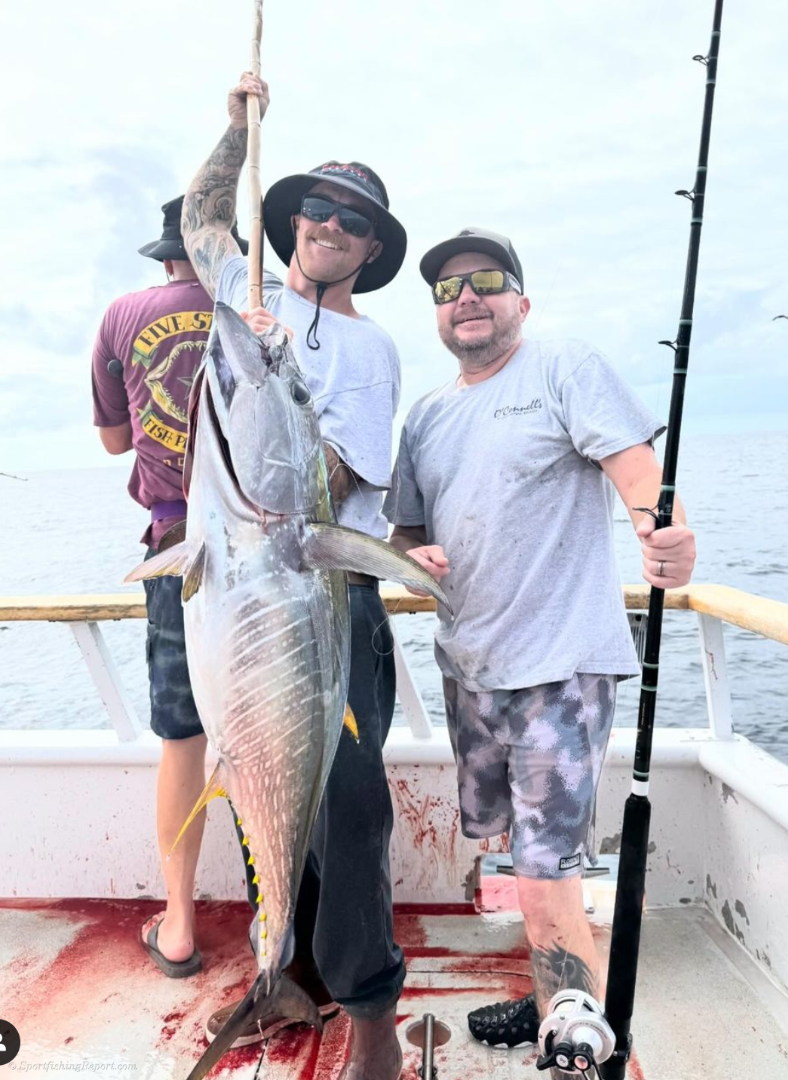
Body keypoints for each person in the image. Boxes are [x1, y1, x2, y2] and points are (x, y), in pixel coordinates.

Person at [385, 228, 697, 1073]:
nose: (467, 297)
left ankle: (589, 1046)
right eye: (448, 290)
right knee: (519, 854)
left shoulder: (560, 365)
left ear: (521, 300)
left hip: (561, 670)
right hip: (471, 668)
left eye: (487, 280)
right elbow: (408, 529)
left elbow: (637, 474)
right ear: (436, 315)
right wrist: (414, 556)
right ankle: (551, 988)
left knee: (545, 867)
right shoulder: (428, 416)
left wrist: (656, 529)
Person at [181, 72, 407, 1080]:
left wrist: (284, 399)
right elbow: (199, 220)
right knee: (252, 776)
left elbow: (347, 473)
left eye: (351, 219)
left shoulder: (372, 347)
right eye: (314, 207)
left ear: (369, 248)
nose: (327, 223)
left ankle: (368, 1015)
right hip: (236, 574)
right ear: (292, 224)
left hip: (323, 594)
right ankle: (287, 973)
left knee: (350, 806)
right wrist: (234, 133)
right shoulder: (244, 298)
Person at [91, 197, 247, 977]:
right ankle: (276, 911)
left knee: (182, 736)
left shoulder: (123, 314)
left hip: (176, 542)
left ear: (163, 257)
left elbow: (116, 436)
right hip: (255, 546)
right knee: (259, 727)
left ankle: (180, 926)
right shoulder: (253, 314)